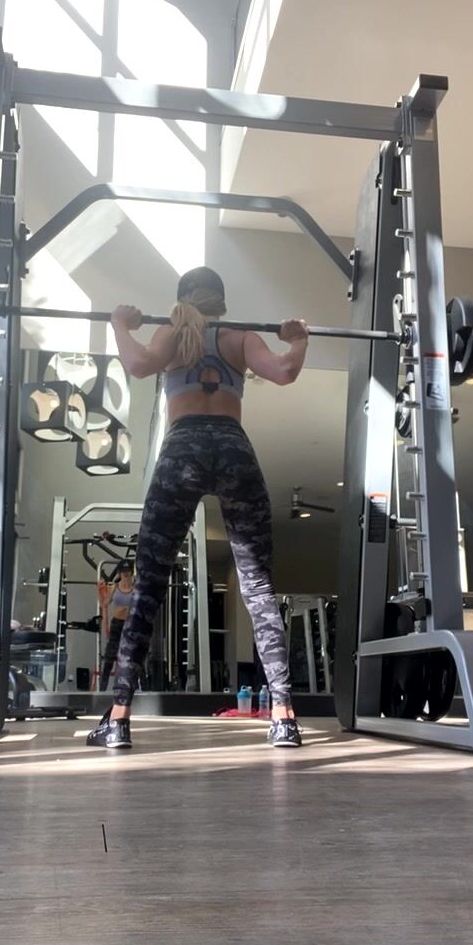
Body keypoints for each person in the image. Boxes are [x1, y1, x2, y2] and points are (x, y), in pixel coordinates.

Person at [87, 265, 308, 751]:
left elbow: (138, 365)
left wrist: (119, 324)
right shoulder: (241, 337)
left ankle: (118, 719)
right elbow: (285, 371)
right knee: (258, 588)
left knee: (148, 587)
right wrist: (298, 339)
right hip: (233, 449)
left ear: (183, 298)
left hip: (182, 450)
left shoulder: (174, 334)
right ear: (222, 302)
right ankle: (284, 717)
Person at [98, 560, 135, 691]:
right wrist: (101, 590)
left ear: (131, 572)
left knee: (135, 656)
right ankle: (102, 690)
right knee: (109, 658)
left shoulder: (136, 589)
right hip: (117, 624)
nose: (126, 574)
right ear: (119, 573)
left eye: (128, 571)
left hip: (131, 625)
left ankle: (145, 690)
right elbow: (105, 604)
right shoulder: (114, 587)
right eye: (123, 572)